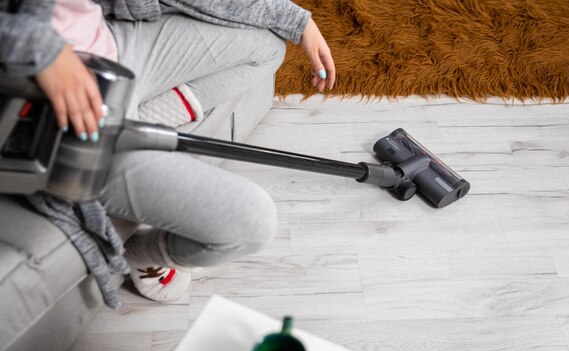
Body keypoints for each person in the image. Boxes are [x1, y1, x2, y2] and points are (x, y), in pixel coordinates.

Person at [0, 0, 336, 302]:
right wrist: (41, 50)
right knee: (253, 222)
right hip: (55, 121)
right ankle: (139, 254)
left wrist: (298, 21)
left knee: (265, 45)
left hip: (111, 46)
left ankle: (144, 124)